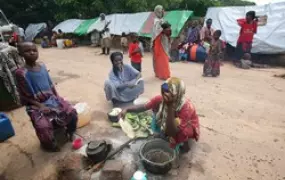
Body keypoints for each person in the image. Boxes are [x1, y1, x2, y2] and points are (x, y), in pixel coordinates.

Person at [15, 42, 78, 152]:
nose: (32, 53)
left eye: (34, 50)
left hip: (51, 99)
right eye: (27, 51)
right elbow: (24, 97)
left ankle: (70, 132)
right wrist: (40, 105)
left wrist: (58, 98)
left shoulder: (43, 66)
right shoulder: (21, 73)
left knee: (72, 112)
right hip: (35, 104)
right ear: (20, 54)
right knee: (42, 126)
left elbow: (50, 85)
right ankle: (50, 145)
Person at [120, 77, 200, 152]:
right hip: (173, 120)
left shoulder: (186, 107)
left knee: (181, 133)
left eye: (169, 92)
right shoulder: (160, 98)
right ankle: (164, 134)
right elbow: (144, 107)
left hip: (187, 125)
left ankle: (185, 146)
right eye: (164, 90)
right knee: (157, 115)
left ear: (178, 94)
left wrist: (169, 107)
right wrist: (127, 109)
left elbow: (172, 132)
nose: (165, 93)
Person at [152, 5, 171, 80]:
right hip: (159, 42)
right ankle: (163, 75)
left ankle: (162, 73)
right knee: (162, 58)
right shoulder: (156, 21)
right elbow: (157, 32)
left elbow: (168, 31)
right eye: (162, 10)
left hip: (164, 41)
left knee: (164, 57)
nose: (163, 11)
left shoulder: (163, 20)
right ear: (158, 11)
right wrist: (164, 29)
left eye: (163, 10)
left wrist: (168, 29)